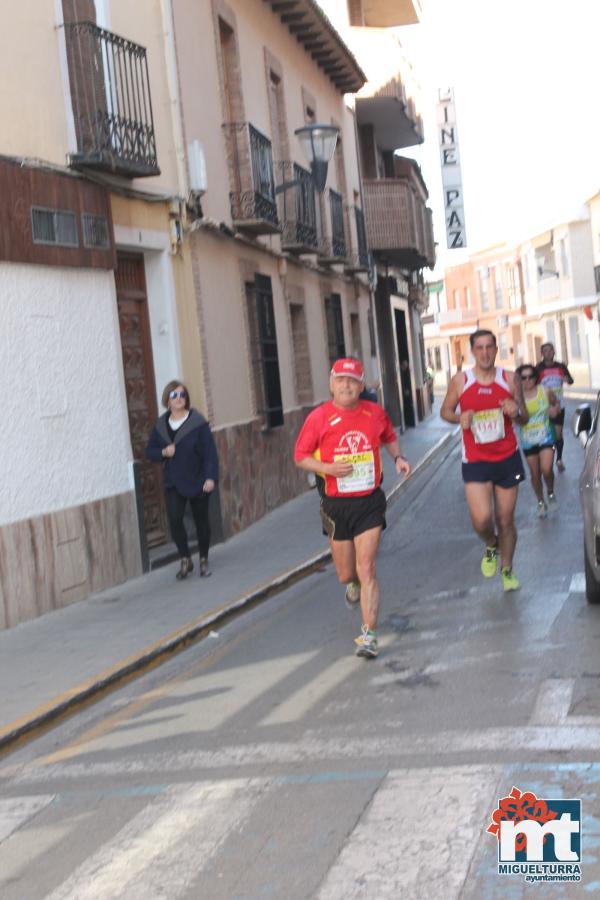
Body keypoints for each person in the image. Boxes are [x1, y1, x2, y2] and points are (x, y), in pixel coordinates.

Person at [294, 357, 411, 659]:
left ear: (361, 386)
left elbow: (389, 437)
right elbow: (300, 456)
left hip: (369, 501)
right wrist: (327, 468)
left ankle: (369, 634)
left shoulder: (374, 413)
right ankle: (353, 584)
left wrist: (398, 458)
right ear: (331, 384)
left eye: (352, 380)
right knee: (347, 573)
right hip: (336, 504)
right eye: (340, 380)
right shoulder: (319, 418)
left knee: (367, 566)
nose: (346, 385)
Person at [440, 330, 529, 592]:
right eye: (479, 348)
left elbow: (524, 417)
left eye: (490, 346)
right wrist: (460, 418)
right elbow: (445, 411)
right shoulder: (461, 380)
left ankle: (508, 569)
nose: (485, 352)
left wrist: (516, 411)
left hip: (507, 457)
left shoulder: (510, 379)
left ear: (496, 350)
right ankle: (491, 544)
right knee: (481, 520)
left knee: (506, 518)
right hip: (476, 459)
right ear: (472, 351)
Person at [146, 380, 219, 579]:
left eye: (182, 395)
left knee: (201, 522)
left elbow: (210, 453)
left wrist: (210, 477)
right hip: (174, 482)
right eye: (174, 396)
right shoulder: (161, 426)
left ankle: (203, 559)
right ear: (167, 401)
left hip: (198, 480)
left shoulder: (198, 423)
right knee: (175, 521)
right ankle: (185, 558)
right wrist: (163, 451)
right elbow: (149, 451)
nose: (179, 399)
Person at [515, 364, 560, 518]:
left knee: (547, 469)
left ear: (535, 378)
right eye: (523, 378)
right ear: (518, 380)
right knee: (535, 474)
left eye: (531, 377)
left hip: (546, 436)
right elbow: (515, 418)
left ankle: (551, 492)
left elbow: (556, 403)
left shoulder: (544, 391)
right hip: (528, 440)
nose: (528, 380)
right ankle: (540, 502)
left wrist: (555, 411)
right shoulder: (516, 397)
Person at [535, 342, 574, 472]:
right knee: (545, 434)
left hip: (558, 405)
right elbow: (531, 386)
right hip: (543, 407)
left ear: (554, 352)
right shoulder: (538, 369)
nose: (548, 353)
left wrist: (567, 379)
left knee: (558, 434)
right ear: (542, 354)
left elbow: (571, 381)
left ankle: (559, 459)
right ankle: (547, 460)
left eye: (551, 350)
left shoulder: (561, 366)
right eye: (545, 351)